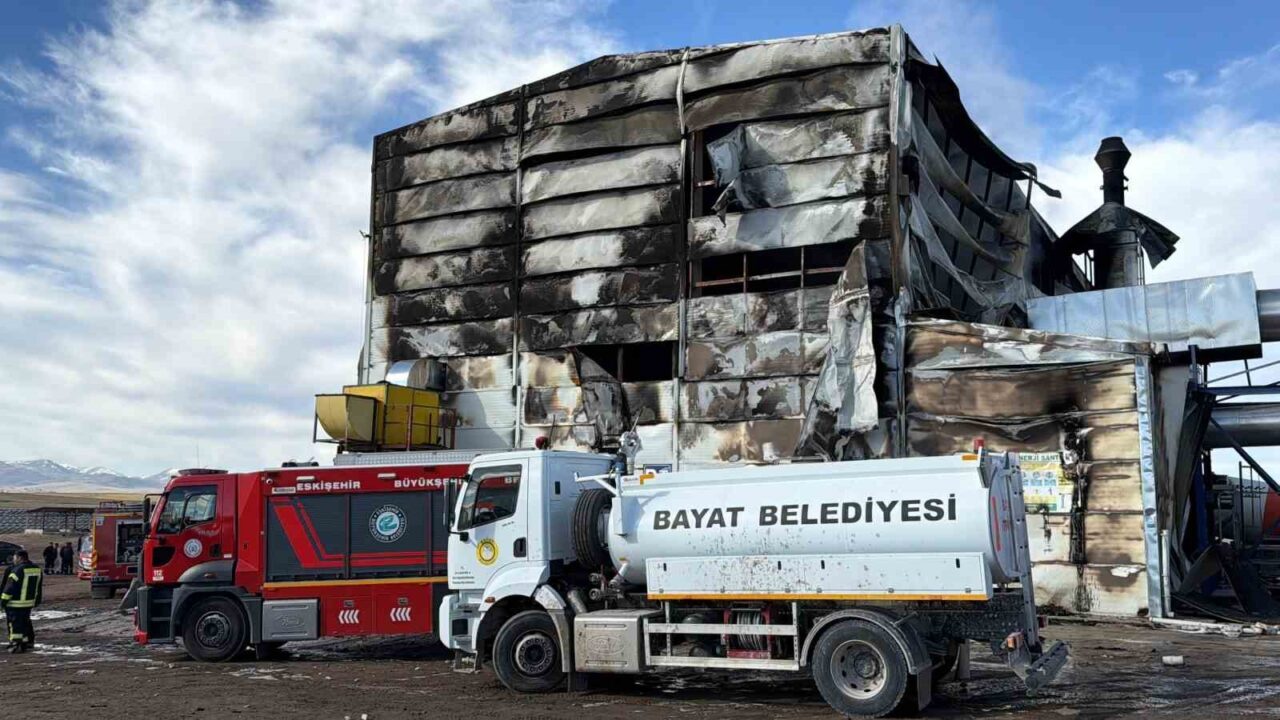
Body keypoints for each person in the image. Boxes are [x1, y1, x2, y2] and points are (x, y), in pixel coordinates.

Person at [1, 549, 43, 652]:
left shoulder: (17, 570)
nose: (13, 560)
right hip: (29, 602)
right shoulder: (37, 569)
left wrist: (3, 601)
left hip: (15, 603)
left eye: (14, 558)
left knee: (15, 624)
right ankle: (25, 642)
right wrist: (37, 600)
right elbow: (39, 586)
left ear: (19, 558)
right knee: (25, 622)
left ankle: (16, 644)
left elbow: (9, 588)